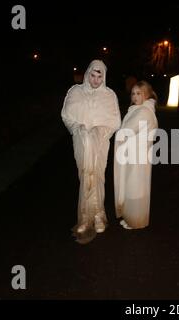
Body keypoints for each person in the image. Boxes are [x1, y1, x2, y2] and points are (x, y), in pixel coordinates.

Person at [61, 59, 121, 244]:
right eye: (93, 76)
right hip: (81, 142)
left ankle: (98, 215)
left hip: (100, 143)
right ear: (87, 74)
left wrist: (99, 131)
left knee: (97, 175)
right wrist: (78, 128)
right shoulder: (75, 91)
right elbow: (66, 115)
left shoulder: (109, 95)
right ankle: (86, 218)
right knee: (85, 175)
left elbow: (115, 122)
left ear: (104, 77)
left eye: (99, 76)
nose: (95, 80)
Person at [114, 81, 158, 230]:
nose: (135, 96)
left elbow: (127, 130)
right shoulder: (138, 109)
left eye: (139, 93)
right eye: (133, 93)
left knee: (135, 187)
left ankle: (136, 220)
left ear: (146, 94)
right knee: (132, 186)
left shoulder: (143, 112)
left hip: (137, 157)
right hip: (134, 155)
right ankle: (131, 216)